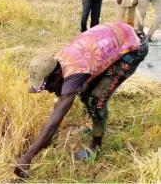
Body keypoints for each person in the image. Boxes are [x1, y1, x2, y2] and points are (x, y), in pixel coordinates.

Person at [14, 22, 149, 179]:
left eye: (47, 86)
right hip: (116, 34)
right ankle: (92, 123)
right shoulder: (56, 61)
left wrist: (28, 156)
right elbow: (62, 98)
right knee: (84, 89)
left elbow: (55, 121)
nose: (49, 90)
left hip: (134, 47)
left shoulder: (75, 71)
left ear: (57, 76)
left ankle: (96, 147)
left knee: (96, 99)